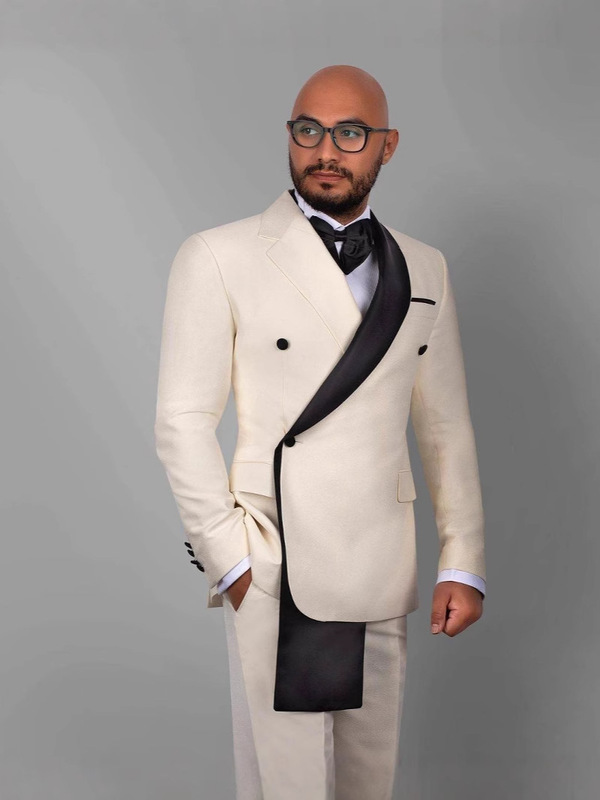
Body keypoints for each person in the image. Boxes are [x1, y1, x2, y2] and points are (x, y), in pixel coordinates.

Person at [154, 64, 486, 800]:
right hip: (276, 558)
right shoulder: (219, 255)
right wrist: (231, 559)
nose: (325, 151)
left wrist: (462, 562)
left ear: (387, 145)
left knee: (368, 781)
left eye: (350, 133)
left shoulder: (425, 267)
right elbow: (181, 422)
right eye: (309, 130)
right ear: (290, 136)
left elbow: (446, 427)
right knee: (288, 785)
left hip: (379, 559)